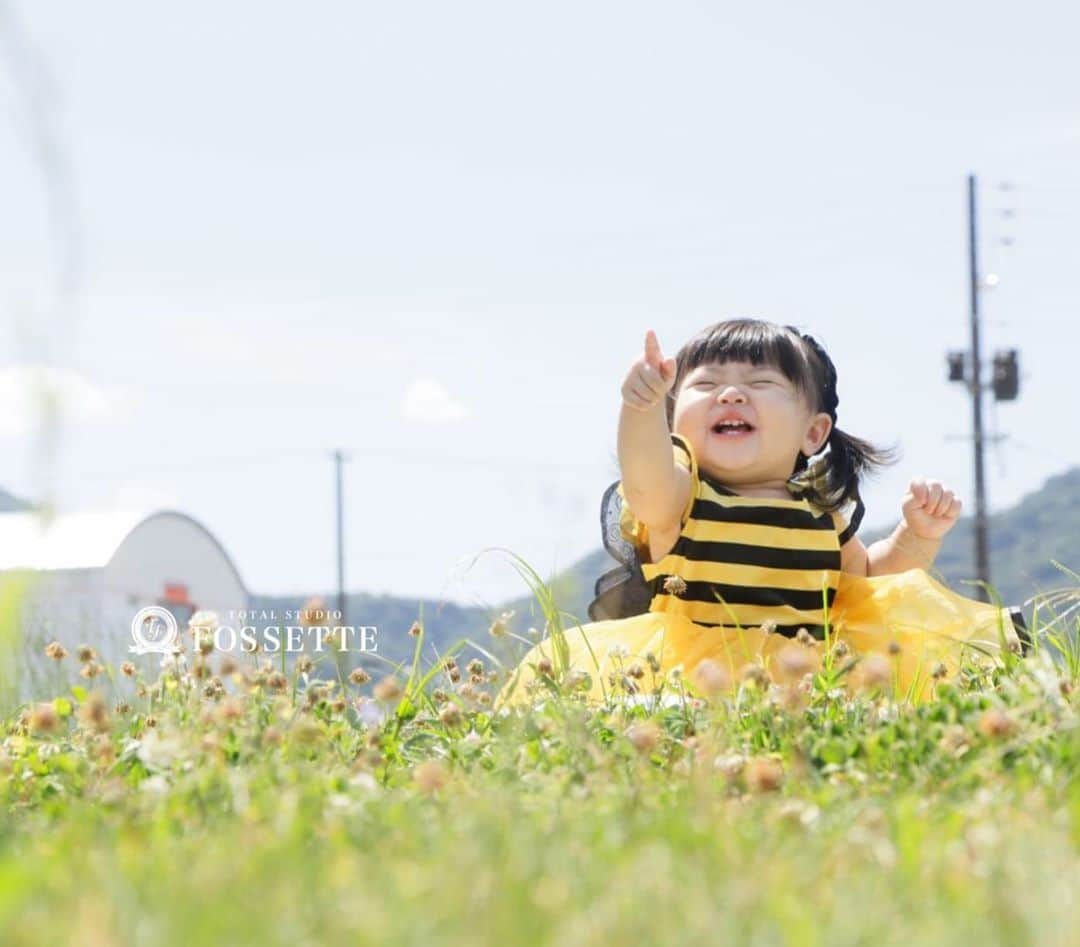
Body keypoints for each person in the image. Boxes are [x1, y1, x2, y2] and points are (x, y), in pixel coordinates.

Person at [496, 319, 1025, 709]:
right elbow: (645, 477)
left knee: (861, 713)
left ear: (812, 433)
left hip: (809, 675)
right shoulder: (684, 498)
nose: (730, 394)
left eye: (760, 384)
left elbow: (866, 584)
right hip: (691, 676)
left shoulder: (821, 514)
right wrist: (639, 411)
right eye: (705, 385)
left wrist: (916, 536)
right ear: (674, 420)